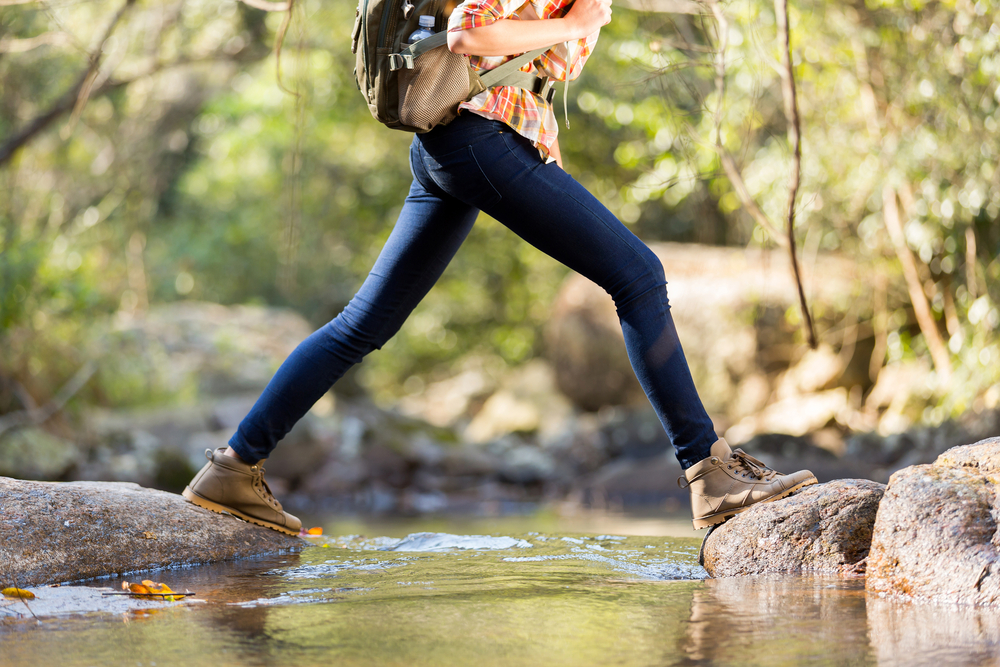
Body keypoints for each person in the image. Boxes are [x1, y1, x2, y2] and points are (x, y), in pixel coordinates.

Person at [182, 0, 817, 535]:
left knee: (360, 325)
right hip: (481, 138)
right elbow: (468, 30)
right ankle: (710, 474)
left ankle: (233, 469)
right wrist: (574, 24)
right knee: (640, 275)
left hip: (454, 144)